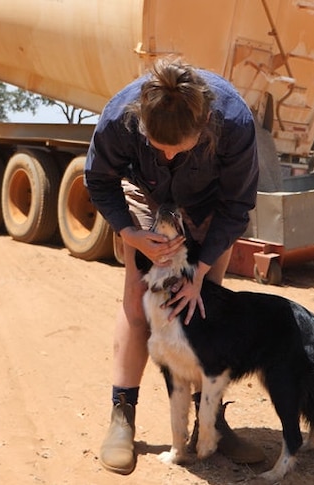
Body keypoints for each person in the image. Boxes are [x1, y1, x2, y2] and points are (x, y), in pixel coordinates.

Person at [84, 56, 262, 475]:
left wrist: (199, 273)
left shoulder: (234, 122)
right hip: (145, 197)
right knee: (139, 298)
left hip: (209, 205)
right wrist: (129, 233)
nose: (165, 156)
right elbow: (99, 180)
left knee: (202, 308)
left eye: (176, 149)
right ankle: (122, 417)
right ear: (140, 122)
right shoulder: (119, 117)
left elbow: (237, 205)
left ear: (204, 130)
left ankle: (210, 422)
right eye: (155, 147)